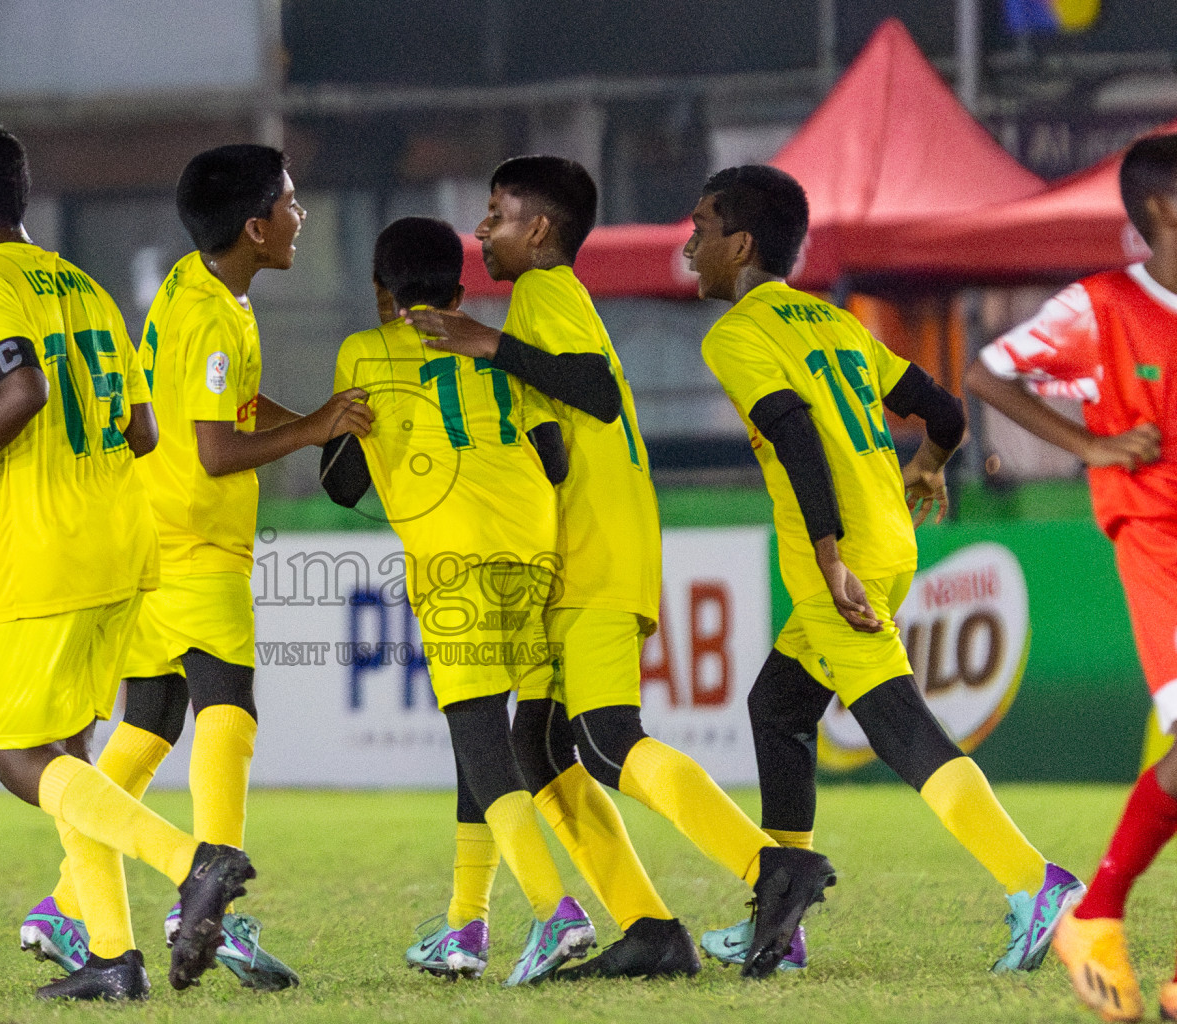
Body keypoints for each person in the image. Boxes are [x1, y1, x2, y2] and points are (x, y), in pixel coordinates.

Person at [402, 156, 835, 979]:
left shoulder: (539, 294)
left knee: (606, 741)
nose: (482, 231)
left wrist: (484, 342)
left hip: (596, 549)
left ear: (539, 229)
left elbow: (595, 391)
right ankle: (648, 930)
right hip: (583, 545)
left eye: (495, 213)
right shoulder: (552, 304)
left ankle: (771, 868)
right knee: (539, 745)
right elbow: (560, 436)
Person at [686, 162, 1084, 975]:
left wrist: (829, 558)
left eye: (700, 229)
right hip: (887, 540)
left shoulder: (736, 334)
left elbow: (793, 434)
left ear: (741, 243)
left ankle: (1032, 881)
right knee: (777, 705)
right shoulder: (835, 324)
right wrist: (928, 465)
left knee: (899, 726)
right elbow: (944, 413)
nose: (689, 246)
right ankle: (778, 920)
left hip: (844, 561)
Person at [0, 119, 254, 1000]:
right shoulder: (88, 288)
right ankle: (112, 957)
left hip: (53, 547)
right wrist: (7, 458)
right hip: (124, 540)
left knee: (20, 759)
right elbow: (137, 429)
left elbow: (22, 389)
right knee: (74, 760)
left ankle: (194, 861)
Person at [20, 143, 371, 992]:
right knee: (230, 709)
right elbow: (217, 449)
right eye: (289, 203)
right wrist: (312, 429)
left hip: (152, 531)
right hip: (193, 540)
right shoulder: (217, 315)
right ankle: (203, 898)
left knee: (150, 721)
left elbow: (219, 408)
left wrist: (316, 420)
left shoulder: (197, 284)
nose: (301, 215)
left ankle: (65, 904)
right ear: (254, 228)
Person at [322, 215, 599, 985]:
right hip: (534, 550)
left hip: (456, 561)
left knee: (480, 735)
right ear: (460, 285)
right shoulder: (494, 344)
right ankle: (464, 926)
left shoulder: (364, 349)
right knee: (480, 741)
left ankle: (555, 913)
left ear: (381, 291)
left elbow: (340, 484)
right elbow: (553, 452)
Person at [965, 133, 1177, 1022]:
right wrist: (1092, 445)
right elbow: (989, 372)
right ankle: (1093, 915)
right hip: (1159, 538)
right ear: (1164, 209)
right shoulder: (1099, 305)